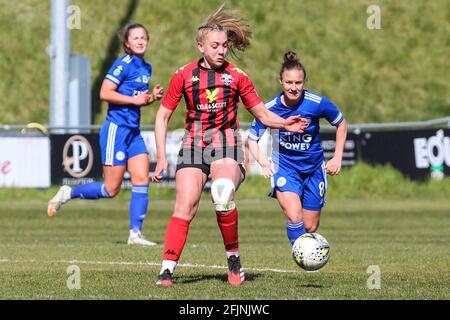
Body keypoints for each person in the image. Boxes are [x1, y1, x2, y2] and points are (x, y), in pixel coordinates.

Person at [152, 6, 308, 286]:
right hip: (193, 146)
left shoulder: (237, 76)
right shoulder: (184, 75)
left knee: (222, 193)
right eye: (215, 46)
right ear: (200, 46)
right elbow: (163, 116)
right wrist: (162, 157)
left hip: (227, 146)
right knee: (185, 204)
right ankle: (166, 268)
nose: (222, 50)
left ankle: (233, 258)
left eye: (224, 45)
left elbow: (261, 113)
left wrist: (286, 124)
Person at [47, 22, 164, 246]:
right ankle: (68, 193)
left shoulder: (146, 68)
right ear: (127, 44)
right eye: (135, 38)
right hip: (116, 131)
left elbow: (137, 100)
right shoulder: (123, 64)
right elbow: (104, 92)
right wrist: (135, 99)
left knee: (141, 179)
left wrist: (151, 97)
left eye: (144, 38)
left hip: (133, 132)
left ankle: (135, 234)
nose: (140, 41)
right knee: (111, 189)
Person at [247, 51, 348, 247]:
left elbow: (342, 124)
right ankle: (302, 255)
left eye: (298, 83)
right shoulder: (269, 108)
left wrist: (337, 157)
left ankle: (304, 249)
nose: (293, 88)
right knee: (295, 217)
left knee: (310, 226)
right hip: (285, 167)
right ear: (281, 81)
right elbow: (251, 140)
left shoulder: (317, 103)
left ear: (304, 82)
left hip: (313, 169)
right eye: (289, 83)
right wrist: (263, 161)